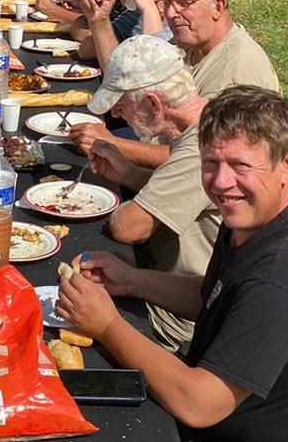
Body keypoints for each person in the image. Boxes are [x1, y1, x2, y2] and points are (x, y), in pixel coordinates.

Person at [56, 86, 288, 440]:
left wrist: (107, 325)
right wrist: (131, 280)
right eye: (211, 163)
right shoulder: (268, 213)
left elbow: (199, 404)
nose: (222, 182)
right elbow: (221, 295)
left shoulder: (281, 277)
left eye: (240, 165)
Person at [81, 36, 218, 352]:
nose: (117, 115)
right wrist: (130, 175)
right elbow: (181, 190)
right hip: (161, 281)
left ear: (154, 104)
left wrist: (127, 198)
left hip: (175, 315)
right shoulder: (199, 123)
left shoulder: (201, 145)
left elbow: (128, 227)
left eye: (123, 105)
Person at [164, 0, 278, 99]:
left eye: (183, 2)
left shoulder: (233, 77)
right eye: (166, 2)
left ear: (217, 7)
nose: (170, 13)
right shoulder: (187, 44)